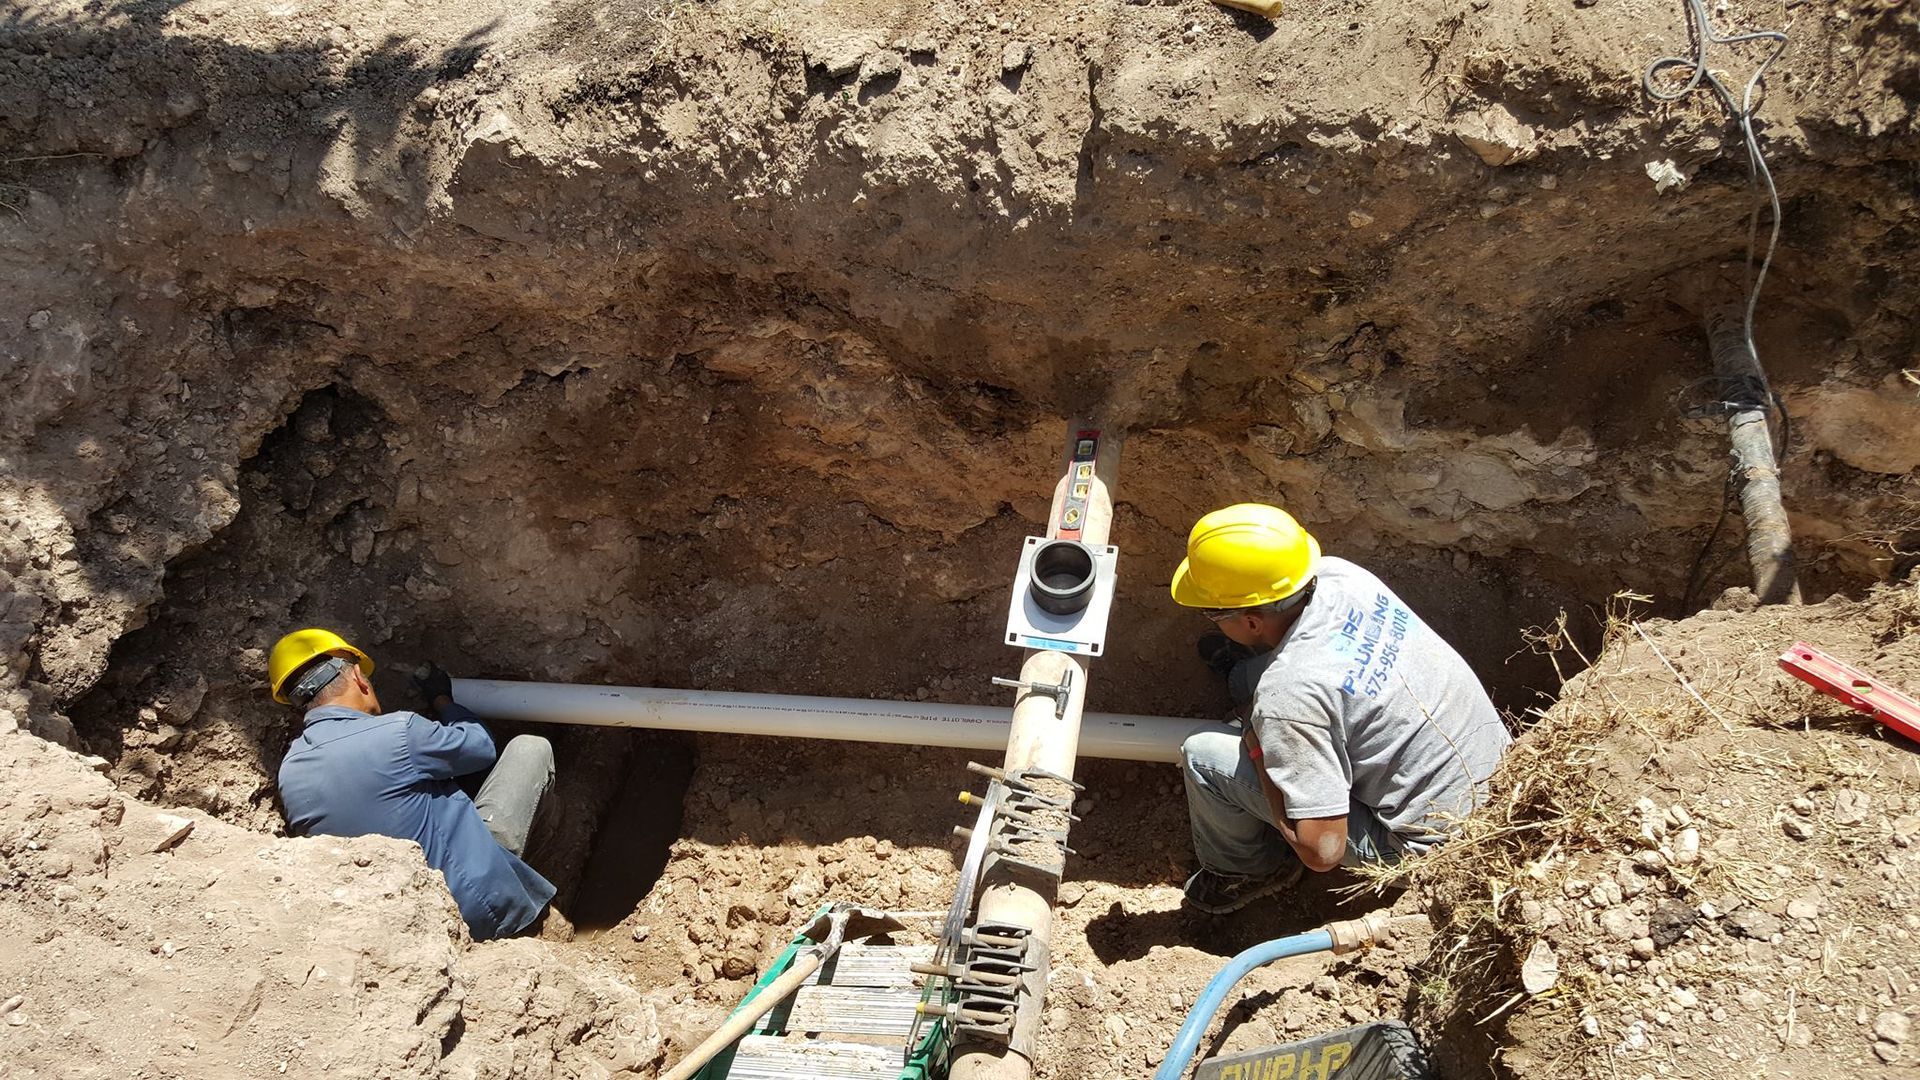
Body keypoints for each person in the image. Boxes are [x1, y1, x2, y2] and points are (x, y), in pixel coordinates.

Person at [1170, 504, 1511, 914]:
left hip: (1437, 850)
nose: (1210, 620)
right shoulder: (1340, 575)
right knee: (1253, 679)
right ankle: (1240, 681)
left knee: (1203, 757)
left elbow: (1322, 851)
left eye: (1214, 613)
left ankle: (1248, 871)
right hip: (1504, 778)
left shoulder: (1288, 695)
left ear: (1253, 621)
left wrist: (1260, 749)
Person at [267, 628, 557, 940]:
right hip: (480, 905)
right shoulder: (397, 732)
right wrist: (443, 701)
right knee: (530, 749)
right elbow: (481, 746)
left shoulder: (290, 772)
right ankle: (543, 871)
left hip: (409, 928)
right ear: (357, 678)